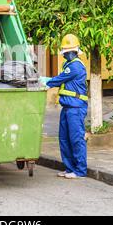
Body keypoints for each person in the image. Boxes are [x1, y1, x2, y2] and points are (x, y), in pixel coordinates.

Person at [45, 34, 88, 179]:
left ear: (74, 52)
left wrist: (45, 82)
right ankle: (70, 168)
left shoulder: (75, 66)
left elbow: (60, 79)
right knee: (64, 138)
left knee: (76, 139)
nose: (65, 55)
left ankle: (80, 170)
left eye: (66, 52)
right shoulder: (69, 65)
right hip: (68, 107)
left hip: (76, 108)